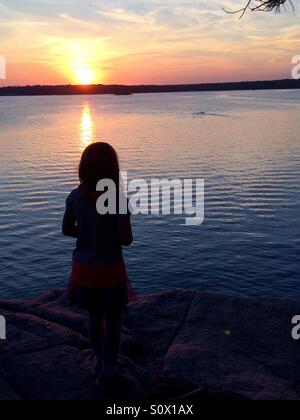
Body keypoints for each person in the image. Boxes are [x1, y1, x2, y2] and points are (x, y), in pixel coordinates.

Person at [62, 142, 135, 390]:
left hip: (84, 270)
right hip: (110, 269)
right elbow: (126, 239)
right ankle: (109, 370)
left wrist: (88, 235)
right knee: (113, 321)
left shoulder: (75, 196)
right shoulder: (116, 200)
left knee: (94, 317)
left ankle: (97, 359)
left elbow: (66, 229)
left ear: (83, 167)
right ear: (112, 169)